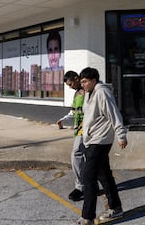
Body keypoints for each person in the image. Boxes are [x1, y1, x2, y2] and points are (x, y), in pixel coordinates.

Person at [76, 67, 128, 225]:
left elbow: (114, 113)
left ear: (93, 80)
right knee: (104, 175)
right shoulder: (89, 93)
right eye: (82, 81)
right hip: (91, 139)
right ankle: (115, 207)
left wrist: (121, 135)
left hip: (100, 140)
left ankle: (87, 217)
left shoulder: (102, 92)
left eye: (85, 81)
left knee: (88, 177)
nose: (82, 84)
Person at [56, 71, 86, 202]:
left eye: (71, 83)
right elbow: (74, 111)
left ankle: (80, 187)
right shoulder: (77, 93)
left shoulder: (87, 92)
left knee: (76, 155)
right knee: (84, 158)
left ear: (76, 78)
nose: (70, 87)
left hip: (87, 130)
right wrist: (63, 119)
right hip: (80, 130)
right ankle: (91, 185)